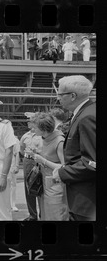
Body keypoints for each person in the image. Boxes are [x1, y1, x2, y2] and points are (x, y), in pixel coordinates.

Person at [53, 75, 96, 221]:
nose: (58, 98)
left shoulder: (87, 117)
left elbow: (92, 163)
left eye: (60, 94)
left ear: (72, 96)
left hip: (86, 201)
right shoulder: (87, 112)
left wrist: (63, 172)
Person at [26, 112, 69, 221]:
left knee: (55, 215)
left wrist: (43, 160)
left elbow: (64, 167)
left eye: (35, 128)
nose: (32, 130)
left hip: (55, 187)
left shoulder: (59, 141)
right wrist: (36, 154)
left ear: (43, 129)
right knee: (45, 215)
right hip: (44, 186)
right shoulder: (44, 138)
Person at [19, 114, 43, 221]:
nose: (28, 123)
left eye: (30, 121)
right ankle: (32, 215)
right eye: (27, 121)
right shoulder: (25, 136)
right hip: (27, 161)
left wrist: (36, 152)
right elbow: (21, 149)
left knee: (40, 186)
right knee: (28, 187)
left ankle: (43, 214)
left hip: (39, 161)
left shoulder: (42, 135)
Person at [8, 136, 20, 213]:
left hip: (11, 165)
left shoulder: (15, 140)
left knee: (13, 185)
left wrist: (17, 166)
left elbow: (17, 153)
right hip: (0, 165)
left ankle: (13, 205)